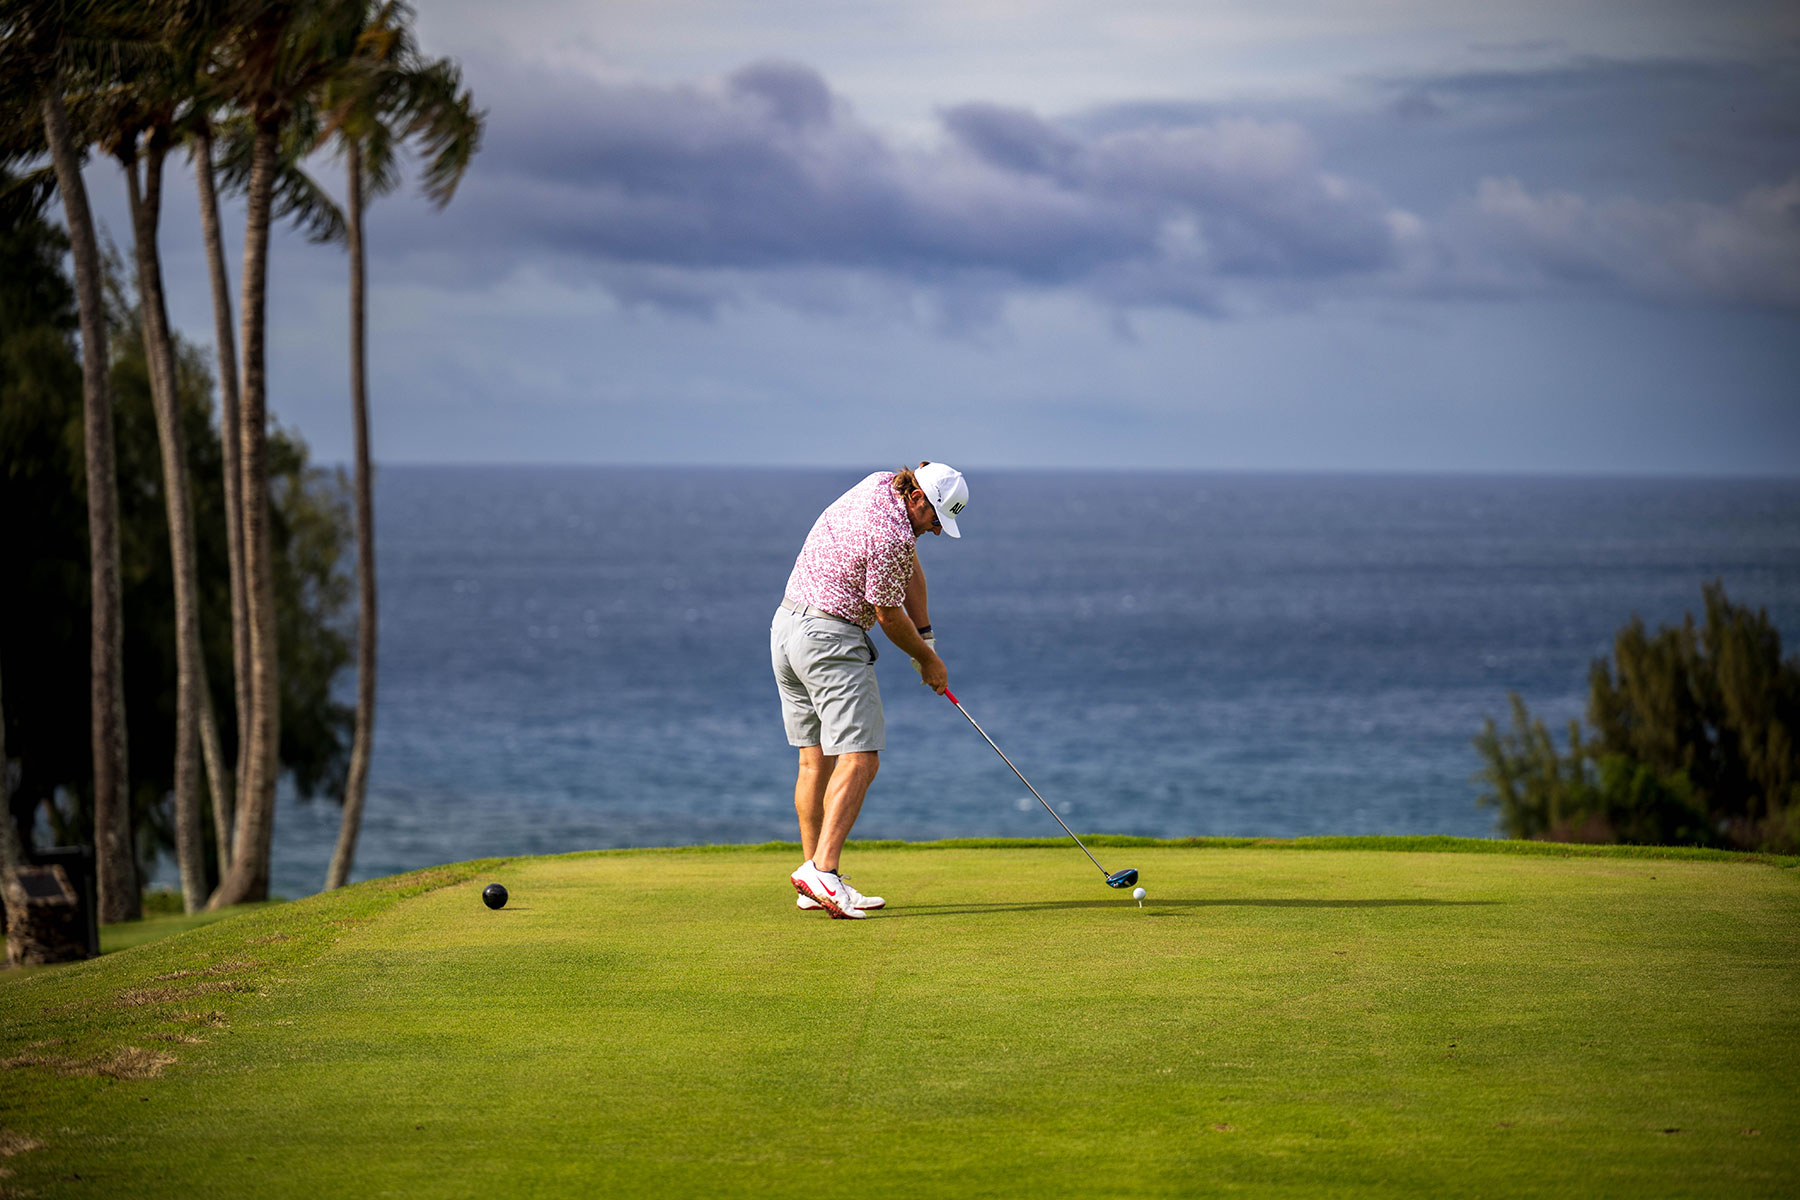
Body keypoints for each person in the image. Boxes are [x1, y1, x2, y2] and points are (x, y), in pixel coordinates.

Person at [771, 461, 969, 919]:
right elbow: (886, 614)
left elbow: (910, 570)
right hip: (828, 640)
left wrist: (928, 636)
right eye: (936, 519)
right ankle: (824, 870)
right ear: (917, 498)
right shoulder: (894, 536)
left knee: (813, 758)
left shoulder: (881, 485)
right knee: (861, 757)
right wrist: (927, 659)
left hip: (786, 629)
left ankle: (814, 882)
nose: (937, 531)